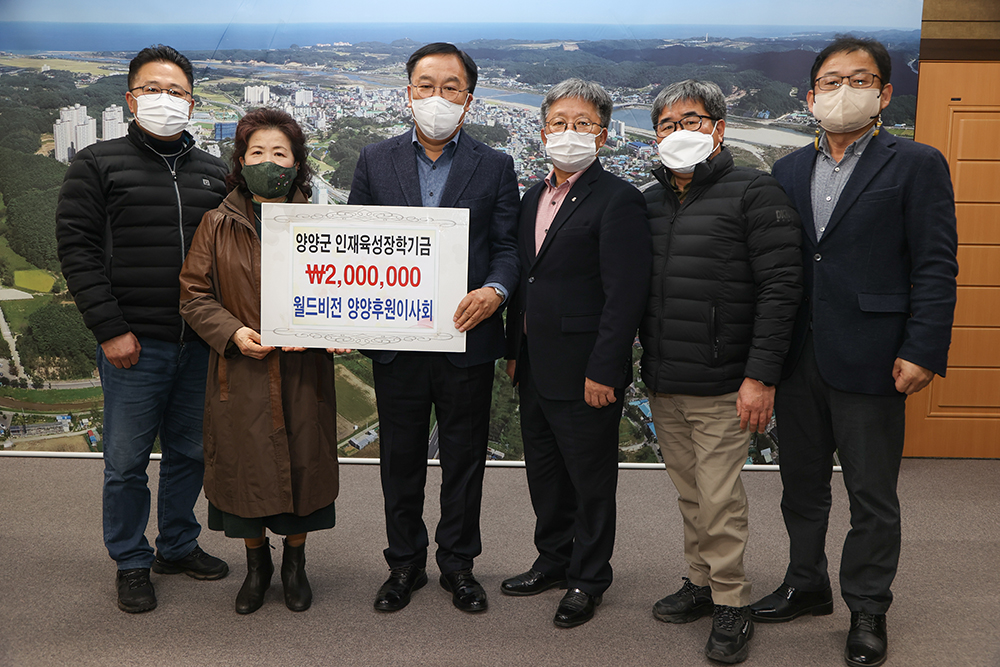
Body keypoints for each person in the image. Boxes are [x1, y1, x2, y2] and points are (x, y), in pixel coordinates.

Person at [748, 37, 958, 667]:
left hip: (875, 354)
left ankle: (868, 605)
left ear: (884, 92)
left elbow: (936, 265)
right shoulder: (787, 169)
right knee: (800, 485)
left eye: (859, 79)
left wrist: (923, 347)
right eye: (830, 82)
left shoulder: (917, 163)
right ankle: (806, 582)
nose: (845, 91)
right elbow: (784, 268)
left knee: (871, 493)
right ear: (811, 96)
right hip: (799, 356)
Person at [347, 42, 519, 614]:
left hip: (463, 338)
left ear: (468, 100)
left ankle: (458, 566)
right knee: (399, 458)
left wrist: (495, 290)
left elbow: (507, 248)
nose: (437, 98)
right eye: (426, 85)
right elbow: (352, 245)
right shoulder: (374, 159)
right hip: (397, 343)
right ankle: (403, 564)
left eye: (451, 88)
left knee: (464, 459)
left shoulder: (495, 165)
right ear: (408, 92)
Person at [56, 45, 229, 614]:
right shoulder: (98, 162)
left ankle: (176, 544)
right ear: (131, 98)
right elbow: (77, 251)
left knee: (189, 454)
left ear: (193, 103)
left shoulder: (214, 173)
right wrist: (109, 329)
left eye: (177, 92)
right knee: (126, 462)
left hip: (199, 344)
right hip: (134, 344)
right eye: (154, 89)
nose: (166, 100)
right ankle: (131, 561)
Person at [639, 79, 803, 663]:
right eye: (666, 124)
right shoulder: (651, 200)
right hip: (664, 379)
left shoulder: (755, 193)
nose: (678, 132)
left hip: (725, 381)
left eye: (692, 120)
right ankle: (701, 583)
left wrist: (760, 377)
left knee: (719, 497)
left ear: (718, 128)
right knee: (691, 494)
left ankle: (732, 599)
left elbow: (783, 291)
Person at [179, 108, 343, 614]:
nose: (268, 162)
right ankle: (257, 566)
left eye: (280, 153)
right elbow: (193, 294)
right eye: (257, 152)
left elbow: (344, 291)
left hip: (302, 372)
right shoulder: (217, 223)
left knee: (302, 467)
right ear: (240, 161)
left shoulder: (324, 225)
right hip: (242, 369)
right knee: (244, 472)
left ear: (297, 164)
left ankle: (295, 563)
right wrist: (232, 332)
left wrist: (339, 331)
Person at [501, 79, 651, 628]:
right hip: (535, 364)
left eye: (582, 123)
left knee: (590, 480)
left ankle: (589, 579)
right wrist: (513, 350)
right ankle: (553, 559)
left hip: (587, 368)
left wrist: (606, 367)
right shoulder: (532, 197)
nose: (569, 132)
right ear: (542, 131)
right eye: (559, 121)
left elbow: (625, 295)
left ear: (604, 136)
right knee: (544, 472)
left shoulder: (619, 200)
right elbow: (527, 280)